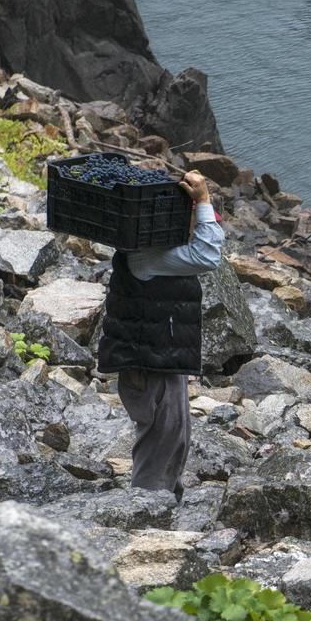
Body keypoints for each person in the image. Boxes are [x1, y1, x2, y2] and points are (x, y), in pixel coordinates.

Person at [97, 170, 222, 498]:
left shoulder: (151, 247)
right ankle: (146, 514)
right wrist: (204, 200)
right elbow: (208, 254)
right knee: (160, 443)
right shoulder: (149, 255)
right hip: (148, 365)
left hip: (159, 359)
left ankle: (166, 504)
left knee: (175, 436)